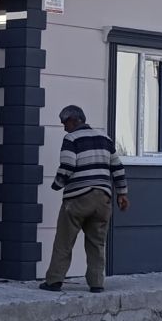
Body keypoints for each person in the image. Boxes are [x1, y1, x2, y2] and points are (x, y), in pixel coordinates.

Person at [41, 104, 127, 293]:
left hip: (78, 198)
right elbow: (118, 167)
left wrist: (57, 184)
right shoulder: (105, 138)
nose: (64, 127)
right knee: (97, 243)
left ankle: (54, 281)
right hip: (103, 199)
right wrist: (122, 193)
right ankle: (97, 284)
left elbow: (68, 165)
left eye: (64, 123)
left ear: (73, 120)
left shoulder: (71, 139)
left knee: (64, 241)